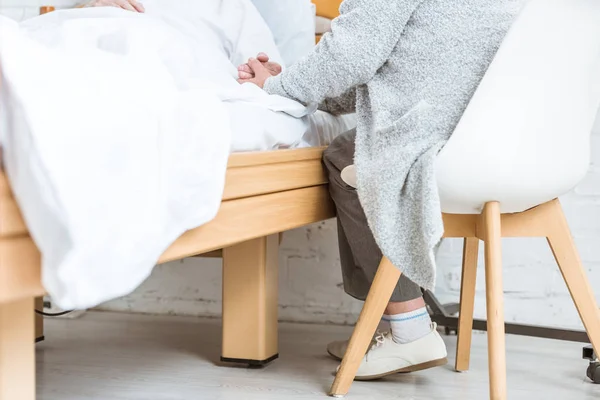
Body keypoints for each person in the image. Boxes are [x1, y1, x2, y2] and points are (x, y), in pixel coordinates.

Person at [239, 0, 524, 380]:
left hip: (442, 145)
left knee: (350, 155)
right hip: (508, 149)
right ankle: (390, 323)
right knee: (369, 151)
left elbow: (350, 54)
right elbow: (390, 63)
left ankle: (407, 326)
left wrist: (275, 86)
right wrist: (291, 82)